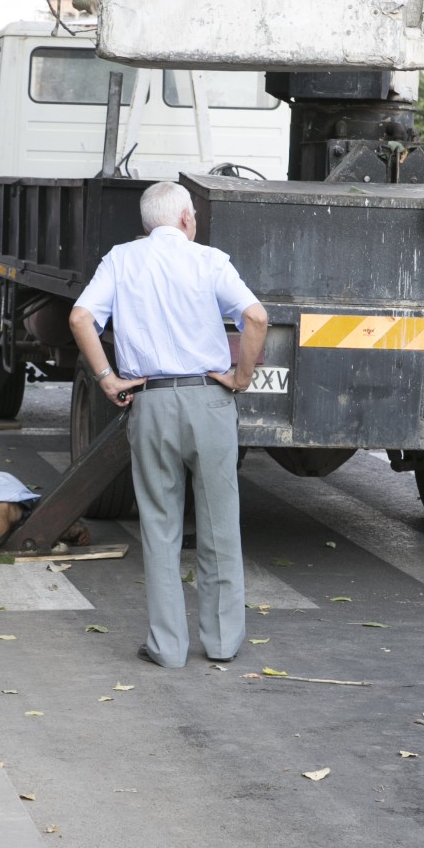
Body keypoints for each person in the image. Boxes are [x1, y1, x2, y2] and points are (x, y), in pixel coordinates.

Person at [69, 180, 268, 668]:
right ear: (185, 220)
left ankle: (167, 647)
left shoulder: (121, 259)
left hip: (150, 401)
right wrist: (240, 378)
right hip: (209, 401)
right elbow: (256, 317)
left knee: (160, 526)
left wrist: (107, 379)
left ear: (146, 223)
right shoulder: (209, 261)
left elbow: (79, 318)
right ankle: (222, 644)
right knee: (220, 525)